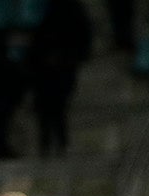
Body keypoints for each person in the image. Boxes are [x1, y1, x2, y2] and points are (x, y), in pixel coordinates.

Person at [29, 0, 92, 156]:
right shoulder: (47, 17)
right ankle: (47, 144)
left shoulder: (74, 14)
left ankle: (60, 145)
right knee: (46, 110)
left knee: (58, 110)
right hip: (46, 73)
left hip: (62, 70)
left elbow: (82, 41)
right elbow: (37, 45)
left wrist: (66, 58)